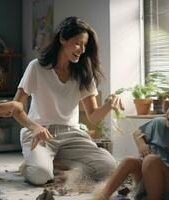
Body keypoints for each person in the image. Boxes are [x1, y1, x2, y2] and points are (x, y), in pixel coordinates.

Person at [14, 16, 124, 186]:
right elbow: (16, 107)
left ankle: (53, 163)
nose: (81, 50)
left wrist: (109, 104)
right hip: (39, 133)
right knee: (40, 176)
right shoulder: (36, 67)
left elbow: (93, 116)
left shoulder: (83, 73)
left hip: (71, 134)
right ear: (63, 39)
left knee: (109, 167)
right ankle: (37, 165)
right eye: (78, 43)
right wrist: (34, 127)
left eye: (85, 45)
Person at [92, 90, 169, 200]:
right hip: (146, 174)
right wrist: (141, 145)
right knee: (128, 160)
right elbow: (137, 133)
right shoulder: (158, 123)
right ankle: (103, 196)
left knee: (151, 160)